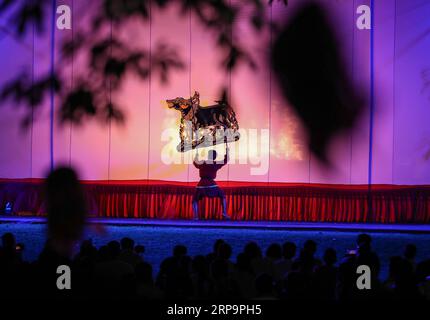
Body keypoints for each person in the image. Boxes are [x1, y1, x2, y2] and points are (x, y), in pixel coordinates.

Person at [192, 143, 230, 220]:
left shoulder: (202, 162)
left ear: (208, 155)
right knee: (222, 196)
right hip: (211, 185)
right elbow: (226, 160)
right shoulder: (215, 163)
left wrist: (196, 155)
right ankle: (224, 213)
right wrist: (227, 151)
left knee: (195, 200)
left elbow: (195, 162)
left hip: (201, 185)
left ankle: (195, 216)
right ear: (215, 157)